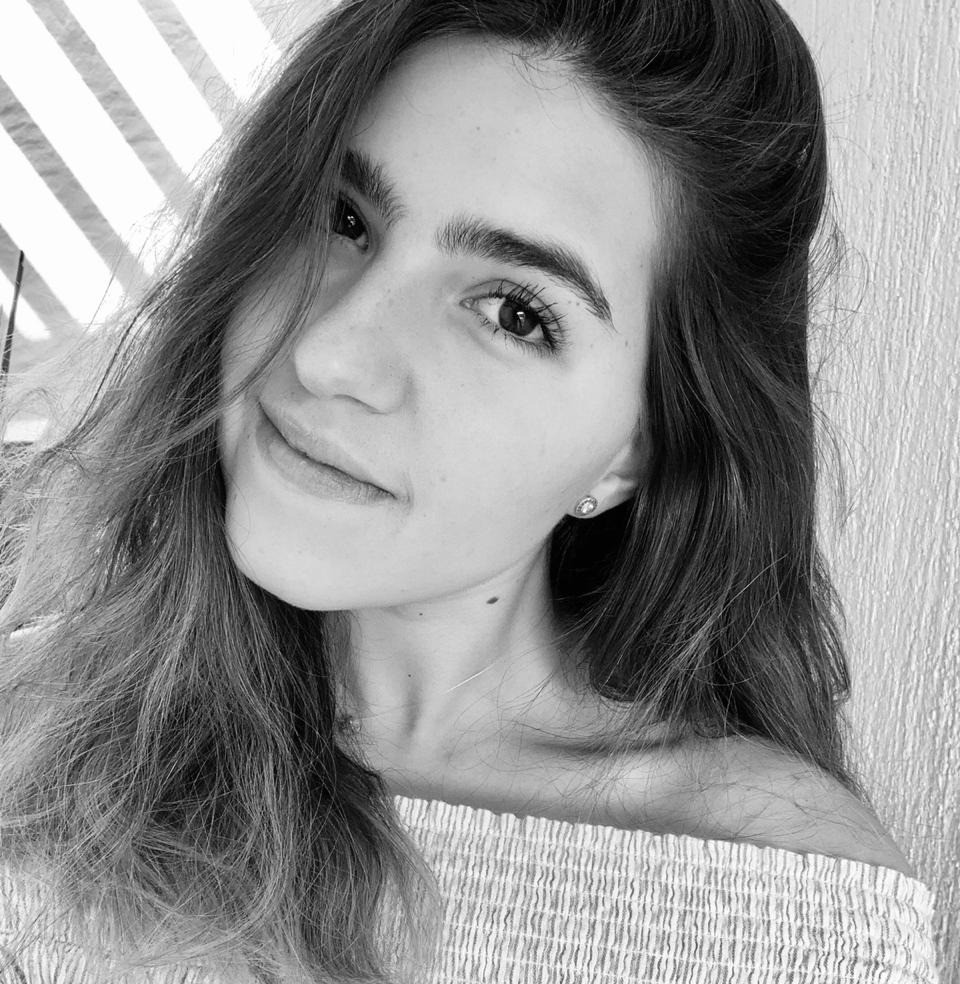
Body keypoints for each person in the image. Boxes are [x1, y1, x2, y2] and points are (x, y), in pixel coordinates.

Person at [0, 0, 942, 981]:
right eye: (342, 217)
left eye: (513, 313)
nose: (327, 354)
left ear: (634, 451)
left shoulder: (780, 907)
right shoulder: (35, 741)